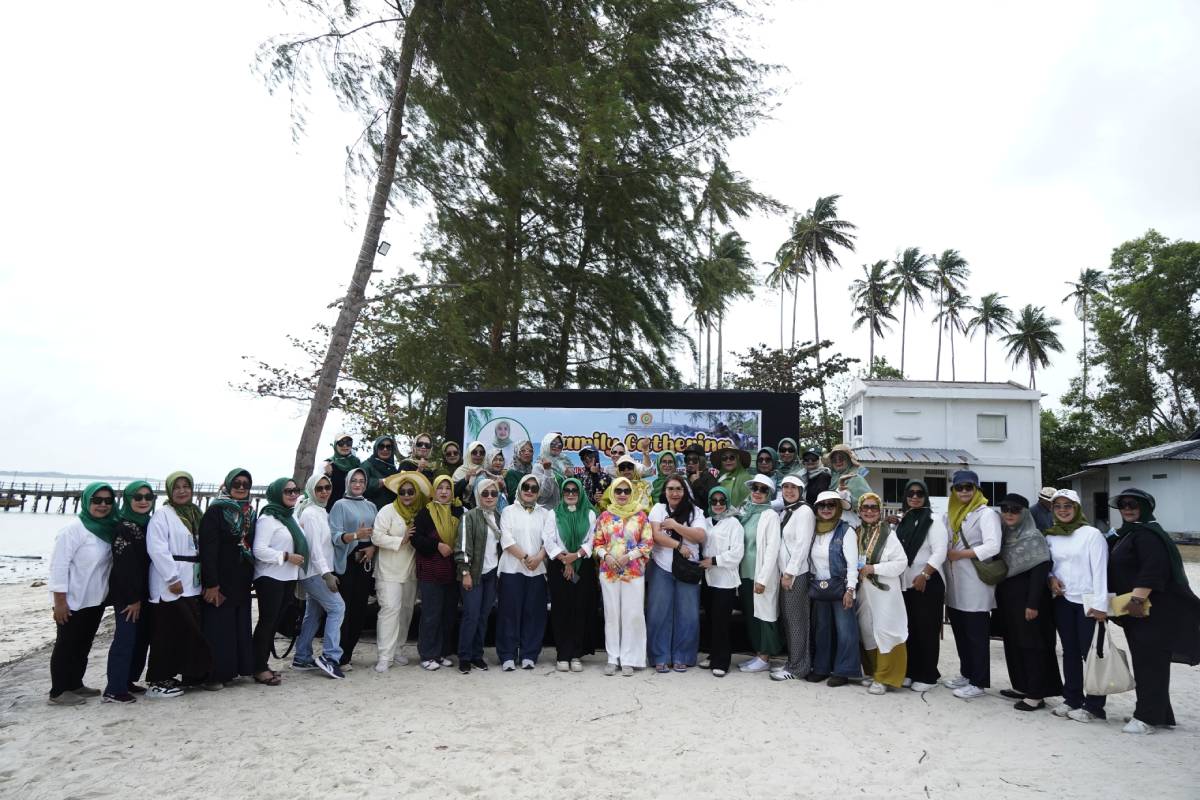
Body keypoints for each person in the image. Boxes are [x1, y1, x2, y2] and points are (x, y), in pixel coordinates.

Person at [1107, 488, 1200, 734]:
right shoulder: (1130, 533)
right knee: (1148, 661)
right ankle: (1158, 713)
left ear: (1145, 508)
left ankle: (1147, 718)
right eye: (1123, 505)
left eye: (1133, 504)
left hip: (1150, 611)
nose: (1127, 508)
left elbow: (1153, 570)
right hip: (1138, 610)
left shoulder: (1148, 535)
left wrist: (1136, 602)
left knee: (1150, 663)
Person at [47, 482, 116, 705]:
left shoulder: (106, 528)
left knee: (83, 644)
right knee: (66, 645)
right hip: (72, 600)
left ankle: (75, 683)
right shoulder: (73, 530)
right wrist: (60, 602)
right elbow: (58, 566)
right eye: (97, 501)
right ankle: (58, 691)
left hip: (95, 599)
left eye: (107, 501)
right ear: (87, 501)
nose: (102, 505)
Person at [145, 471, 212, 696]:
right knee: (166, 632)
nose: (182, 491)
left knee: (188, 630)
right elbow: (157, 548)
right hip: (169, 582)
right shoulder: (163, 514)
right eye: (177, 487)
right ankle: (158, 680)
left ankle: (185, 675)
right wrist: (171, 577)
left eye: (186, 486)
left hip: (191, 580)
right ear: (170, 490)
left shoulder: (196, 514)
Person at [1045, 488, 1108, 723]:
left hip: (1088, 603)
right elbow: (1050, 566)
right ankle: (1072, 698)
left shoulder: (1091, 534)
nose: (1063, 510)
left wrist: (1101, 606)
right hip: (1063, 601)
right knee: (1069, 652)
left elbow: (1100, 571)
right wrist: (1051, 579)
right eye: (1058, 506)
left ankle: (1094, 705)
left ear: (1077, 508)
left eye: (1067, 506)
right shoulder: (1051, 535)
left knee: (1090, 654)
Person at [994, 493, 1061, 711]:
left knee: (1032, 645)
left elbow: (1040, 573)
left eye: (1014, 510)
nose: (1009, 514)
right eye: (1005, 509)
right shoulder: (1005, 536)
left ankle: (1036, 694)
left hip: (1029, 602)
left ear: (1024, 512)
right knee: (1013, 644)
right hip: (1008, 601)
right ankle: (1022, 686)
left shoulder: (1034, 537)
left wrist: (1032, 604)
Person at [942, 469, 1001, 699]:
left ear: (976, 489)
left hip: (976, 583)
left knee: (976, 635)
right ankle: (966, 674)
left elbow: (992, 546)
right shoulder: (951, 514)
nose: (964, 491)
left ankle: (979, 681)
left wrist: (962, 554)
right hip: (956, 584)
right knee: (960, 632)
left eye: (968, 487)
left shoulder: (985, 514)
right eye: (959, 488)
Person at [199, 469, 256, 687]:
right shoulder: (216, 512)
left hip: (240, 581)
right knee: (218, 629)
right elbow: (207, 550)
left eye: (245, 484)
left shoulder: (248, 513)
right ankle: (213, 675)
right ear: (227, 485)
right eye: (237, 483)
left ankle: (233, 671)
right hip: (220, 580)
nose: (241, 488)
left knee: (236, 627)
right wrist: (211, 584)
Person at [592, 476, 654, 676]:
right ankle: (613, 658)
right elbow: (597, 543)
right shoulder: (604, 517)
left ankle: (629, 659)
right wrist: (606, 556)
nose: (622, 495)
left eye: (626, 491)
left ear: (632, 493)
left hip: (633, 572)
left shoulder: (641, 516)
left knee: (632, 614)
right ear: (612, 492)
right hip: (609, 573)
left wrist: (629, 556)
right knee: (612, 615)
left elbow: (647, 543)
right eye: (618, 491)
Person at [250, 477, 308, 686]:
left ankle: (261, 663)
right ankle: (258, 667)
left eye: (295, 490)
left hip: (287, 577)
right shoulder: (268, 518)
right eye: (287, 491)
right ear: (276, 493)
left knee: (273, 623)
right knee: (267, 622)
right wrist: (285, 556)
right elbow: (259, 550)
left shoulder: (289, 518)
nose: (293, 494)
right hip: (270, 577)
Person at [647, 474, 705, 673]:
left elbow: (699, 536)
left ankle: (683, 656)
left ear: (685, 491)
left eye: (678, 489)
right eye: (670, 489)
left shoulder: (695, 512)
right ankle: (660, 656)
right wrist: (679, 545)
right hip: (662, 566)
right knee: (658, 613)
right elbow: (656, 535)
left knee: (688, 615)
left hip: (688, 569)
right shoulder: (658, 509)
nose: (674, 493)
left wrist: (675, 526)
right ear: (665, 491)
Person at [371, 472, 429, 671]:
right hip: (389, 571)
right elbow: (376, 537)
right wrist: (400, 540)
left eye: (410, 491)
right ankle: (384, 656)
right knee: (389, 611)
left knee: (406, 611)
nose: (406, 495)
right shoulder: (387, 511)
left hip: (411, 571)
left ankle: (398, 650)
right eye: (402, 491)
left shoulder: (420, 512)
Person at [497, 475, 556, 670]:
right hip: (512, 569)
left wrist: (539, 558)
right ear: (520, 488)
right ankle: (507, 655)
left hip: (537, 571)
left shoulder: (545, 513)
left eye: (533, 488)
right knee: (509, 613)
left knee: (534, 613)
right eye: (526, 487)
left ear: (538, 492)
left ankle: (529, 654)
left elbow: (549, 540)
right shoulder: (508, 511)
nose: (529, 491)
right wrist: (524, 558)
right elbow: (506, 539)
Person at [103, 481, 154, 703]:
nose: (143, 501)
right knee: (125, 639)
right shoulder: (124, 527)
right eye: (137, 497)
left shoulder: (148, 524)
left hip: (146, 592)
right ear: (128, 500)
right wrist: (133, 599)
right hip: (128, 595)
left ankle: (128, 680)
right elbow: (125, 567)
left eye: (147, 497)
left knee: (141, 639)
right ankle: (114, 688)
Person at [854, 493, 909, 695]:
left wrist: (874, 569)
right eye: (865, 507)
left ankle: (886, 677)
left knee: (886, 631)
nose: (869, 511)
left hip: (884, 592)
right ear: (859, 511)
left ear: (880, 511)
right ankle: (874, 671)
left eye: (873, 508)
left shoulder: (889, 534)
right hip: (864, 593)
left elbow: (901, 563)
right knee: (867, 630)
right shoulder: (857, 533)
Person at [293, 473, 347, 677]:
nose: (324, 492)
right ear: (311, 490)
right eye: (319, 488)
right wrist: (326, 574)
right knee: (338, 607)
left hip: (318, 570)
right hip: (314, 572)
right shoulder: (310, 514)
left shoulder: (322, 512)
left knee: (313, 614)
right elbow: (314, 549)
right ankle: (330, 657)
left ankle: (302, 656)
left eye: (327, 487)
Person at [896, 479, 947, 692]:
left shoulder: (933, 520)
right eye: (910, 493)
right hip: (907, 584)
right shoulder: (903, 520)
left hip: (928, 581)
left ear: (926, 496)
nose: (915, 497)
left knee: (927, 629)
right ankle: (911, 671)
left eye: (919, 494)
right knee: (911, 629)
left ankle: (927, 674)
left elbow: (940, 551)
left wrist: (925, 574)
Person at [806, 490, 861, 686]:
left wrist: (850, 590)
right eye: (822, 505)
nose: (826, 509)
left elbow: (853, 564)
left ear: (838, 508)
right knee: (821, 629)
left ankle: (843, 670)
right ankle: (821, 668)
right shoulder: (813, 530)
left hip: (840, 587)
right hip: (819, 587)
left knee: (845, 630)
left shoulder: (846, 531)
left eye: (831, 505)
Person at [328, 467, 378, 669]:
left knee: (359, 609)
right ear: (348, 482)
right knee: (345, 610)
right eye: (354, 480)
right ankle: (338, 655)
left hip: (365, 563)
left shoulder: (371, 506)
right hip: (347, 562)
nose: (358, 484)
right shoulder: (339, 505)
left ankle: (348, 652)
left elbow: (376, 533)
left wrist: (372, 547)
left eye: (361, 481)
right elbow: (335, 536)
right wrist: (356, 535)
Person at [411, 475, 463, 670]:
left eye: (447, 488)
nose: (443, 492)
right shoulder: (425, 512)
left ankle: (441, 653)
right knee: (431, 614)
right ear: (434, 490)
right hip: (431, 570)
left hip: (451, 570)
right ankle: (427, 654)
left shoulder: (457, 510)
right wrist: (437, 545)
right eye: (440, 488)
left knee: (447, 613)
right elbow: (416, 538)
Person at [546, 477, 597, 672]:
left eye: (574, 490)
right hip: (559, 566)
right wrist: (564, 559)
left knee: (580, 608)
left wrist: (575, 556)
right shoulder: (553, 514)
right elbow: (548, 539)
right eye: (566, 490)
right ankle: (563, 654)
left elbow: (592, 540)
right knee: (561, 610)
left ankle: (576, 653)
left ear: (580, 492)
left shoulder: (590, 514)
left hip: (582, 566)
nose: (570, 493)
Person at [454, 478, 503, 673]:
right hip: (473, 573)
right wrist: (465, 572)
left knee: (483, 616)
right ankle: (464, 657)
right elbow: (462, 547)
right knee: (471, 615)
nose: (489, 497)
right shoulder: (469, 517)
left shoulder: (499, 517)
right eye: (485, 493)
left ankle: (477, 655)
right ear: (478, 495)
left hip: (492, 574)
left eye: (493, 493)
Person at [738, 475, 782, 674]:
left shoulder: (771, 515)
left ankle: (765, 656)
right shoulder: (746, 512)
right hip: (745, 573)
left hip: (761, 574)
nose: (757, 492)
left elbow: (773, 549)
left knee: (765, 615)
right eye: (755, 488)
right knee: (751, 615)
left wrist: (763, 579)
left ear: (769, 494)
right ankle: (758, 654)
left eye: (763, 489)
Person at [773, 475, 815, 681]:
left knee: (797, 621)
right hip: (786, 574)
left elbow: (802, 545)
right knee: (789, 621)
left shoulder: (805, 511)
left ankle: (798, 667)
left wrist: (790, 573)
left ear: (801, 489)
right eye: (785, 487)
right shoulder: (788, 511)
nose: (789, 491)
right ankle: (793, 661)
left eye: (793, 487)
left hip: (796, 574)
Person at [700, 487, 743, 677]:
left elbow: (736, 554)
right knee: (710, 619)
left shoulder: (734, 524)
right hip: (707, 579)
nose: (718, 505)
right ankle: (711, 654)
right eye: (714, 501)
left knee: (722, 622)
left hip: (725, 580)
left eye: (722, 501)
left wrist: (714, 561)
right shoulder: (705, 522)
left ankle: (722, 661)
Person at [827, 444, 870, 518]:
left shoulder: (856, 478)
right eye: (834, 459)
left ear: (849, 459)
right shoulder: (831, 477)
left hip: (851, 520)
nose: (838, 461)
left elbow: (866, 502)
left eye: (841, 458)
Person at [533, 431, 569, 509]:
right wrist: (547, 470)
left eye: (560, 445)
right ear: (546, 444)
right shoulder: (538, 466)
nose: (556, 446)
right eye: (552, 444)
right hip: (545, 512)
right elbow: (544, 494)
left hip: (560, 511)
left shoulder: (561, 465)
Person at [361, 435, 399, 508]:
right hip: (372, 510)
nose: (385, 449)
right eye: (381, 446)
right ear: (376, 448)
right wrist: (382, 482)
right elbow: (361, 486)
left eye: (388, 447)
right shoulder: (366, 465)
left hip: (391, 510)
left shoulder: (393, 468)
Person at [323, 432, 360, 507]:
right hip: (332, 508)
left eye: (348, 443)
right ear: (335, 445)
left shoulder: (357, 463)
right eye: (341, 443)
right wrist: (327, 475)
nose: (345, 446)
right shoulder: (327, 464)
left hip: (354, 507)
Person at [711, 446, 753, 511]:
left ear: (737, 459)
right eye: (724, 458)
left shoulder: (745, 478)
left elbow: (749, 503)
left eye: (732, 457)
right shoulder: (719, 477)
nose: (728, 460)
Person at [682, 444, 717, 512]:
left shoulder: (709, 478)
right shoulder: (685, 478)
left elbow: (714, 501)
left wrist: (697, 483)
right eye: (687, 459)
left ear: (701, 461)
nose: (690, 462)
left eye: (694, 460)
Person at [504, 439, 535, 503]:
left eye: (530, 451)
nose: (527, 453)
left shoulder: (533, 472)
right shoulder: (511, 473)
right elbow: (513, 498)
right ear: (517, 452)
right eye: (523, 451)